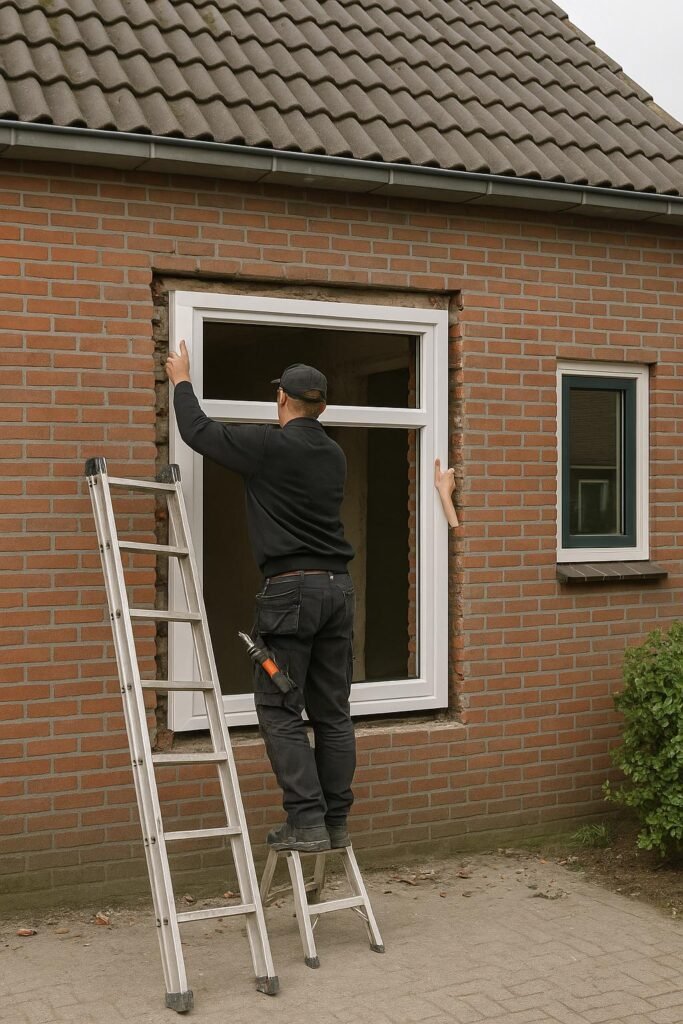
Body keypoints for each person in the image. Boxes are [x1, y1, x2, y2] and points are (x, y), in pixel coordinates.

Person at [165, 341, 355, 854]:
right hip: (337, 590)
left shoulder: (272, 446)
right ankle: (334, 823)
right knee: (333, 713)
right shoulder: (333, 453)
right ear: (322, 406)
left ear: (281, 399)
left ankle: (307, 822)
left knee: (278, 707)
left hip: (291, 593)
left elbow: (198, 432)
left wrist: (181, 378)